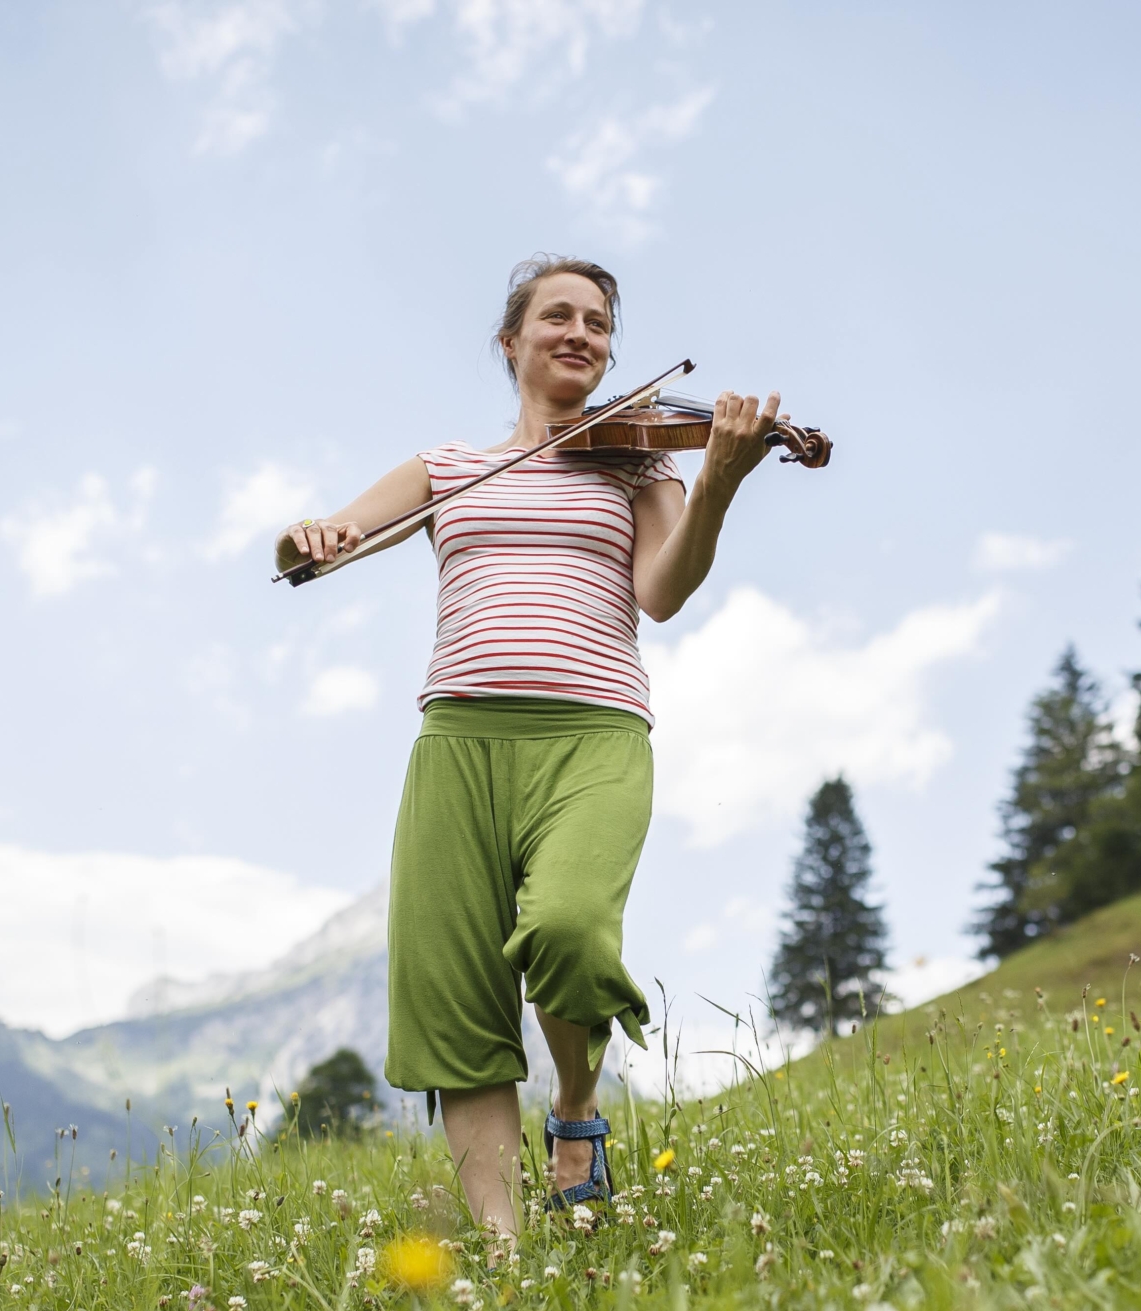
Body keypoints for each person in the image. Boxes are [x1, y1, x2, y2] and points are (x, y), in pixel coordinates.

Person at [277, 255, 786, 1241]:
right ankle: (507, 1260)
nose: (580, 334)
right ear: (509, 341)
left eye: (598, 323)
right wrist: (311, 539)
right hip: (459, 742)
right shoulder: (448, 471)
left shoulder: (640, 462)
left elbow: (664, 593)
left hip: (592, 733)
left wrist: (718, 479)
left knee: (567, 930)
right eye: (558, 316)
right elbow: (323, 536)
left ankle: (576, 1111)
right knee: (456, 991)